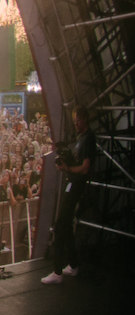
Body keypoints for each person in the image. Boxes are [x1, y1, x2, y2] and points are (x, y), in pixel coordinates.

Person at [43, 106, 94, 284]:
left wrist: (68, 168)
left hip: (77, 185)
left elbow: (86, 167)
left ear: (85, 119)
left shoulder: (88, 139)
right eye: (74, 122)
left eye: (78, 121)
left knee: (60, 225)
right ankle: (73, 265)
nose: (76, 124)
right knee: (66, 225)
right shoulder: (80, 138)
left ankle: (57, 272)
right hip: (71, 183)